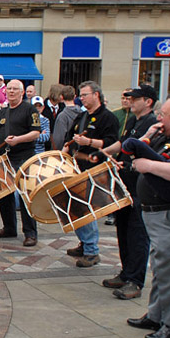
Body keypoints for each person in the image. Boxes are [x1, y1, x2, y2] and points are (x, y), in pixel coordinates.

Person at [126, 97, 170, 338]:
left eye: (163, 115)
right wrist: (148, 134)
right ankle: (156, 314)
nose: (158, 118)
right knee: (161, 268)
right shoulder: (165, 136)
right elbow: (139, 147)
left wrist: (147, 165)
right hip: (158, 214)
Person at [98, 84, 156, 300]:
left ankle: (135, 281)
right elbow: (121, 144)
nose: (130, 101)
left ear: (147, 101)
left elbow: (141, 149)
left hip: (141, 187)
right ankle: (126, 273)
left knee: (137, 234)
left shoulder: (153, 124)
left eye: (134, 98)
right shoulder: (133, 120)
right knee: (123, 230)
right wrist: (102, 153)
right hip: (124, 186)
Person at [63, 81, 119, 267]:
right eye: (81, 95)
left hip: (95, 168)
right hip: (77, 167)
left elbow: (112, 143)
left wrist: (89, 142)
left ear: (96, 95)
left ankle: (92, 251)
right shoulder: (82, 116)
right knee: (75, 208)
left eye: (85, 94)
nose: (81, 98)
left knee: (86, 209)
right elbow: (70, 136)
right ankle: (85, 243)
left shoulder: (108, 118)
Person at [0, 80, 41, 247]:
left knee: (25, 195)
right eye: (9, 89)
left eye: (15, 89)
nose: (11, 92)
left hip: (24, 156)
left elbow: (35, 133)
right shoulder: (2, 112)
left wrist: (18, 140)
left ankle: (30, 233)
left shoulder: (30, 109)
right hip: (5, 158)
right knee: (3, 194)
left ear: (22, 92)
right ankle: (9, 227)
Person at [52, 85, 83, 154]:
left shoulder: (62, 116)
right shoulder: (82, 113)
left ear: (61, 97)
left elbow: (58, 139)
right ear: (75, 97)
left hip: (66, 152)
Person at [41, 84, 65, 150]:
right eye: (62, 94)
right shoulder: (42, 107)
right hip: (45, 144)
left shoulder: (63, 108)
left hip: (58, 143)